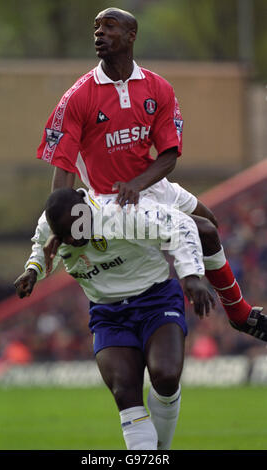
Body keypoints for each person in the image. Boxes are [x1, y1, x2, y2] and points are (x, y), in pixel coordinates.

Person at [36, 7, 266, 341]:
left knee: (211, 226)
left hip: (151, 184)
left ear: (131, 36)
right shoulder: (77, 97)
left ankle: (236, 314)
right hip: (109, 200)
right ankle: (238, 314)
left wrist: (139, 183)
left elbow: (169, 154)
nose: (99, 34)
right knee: (198, 231)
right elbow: (64, 170)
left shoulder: (158, 88)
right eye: (96, 28)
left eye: (109, 27)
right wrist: (60, 223)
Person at [14, 187, 215, 450]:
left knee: (165, 376)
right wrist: (32, 271)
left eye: (77, 230)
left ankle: (160, 451)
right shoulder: (50, 223)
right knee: (124, 390)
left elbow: (180, 225)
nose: (73, 240)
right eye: (65, 236)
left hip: (155, 300)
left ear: (85, 211)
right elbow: (40, 248)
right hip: (108, 314)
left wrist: (191, 276)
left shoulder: (121, 214)